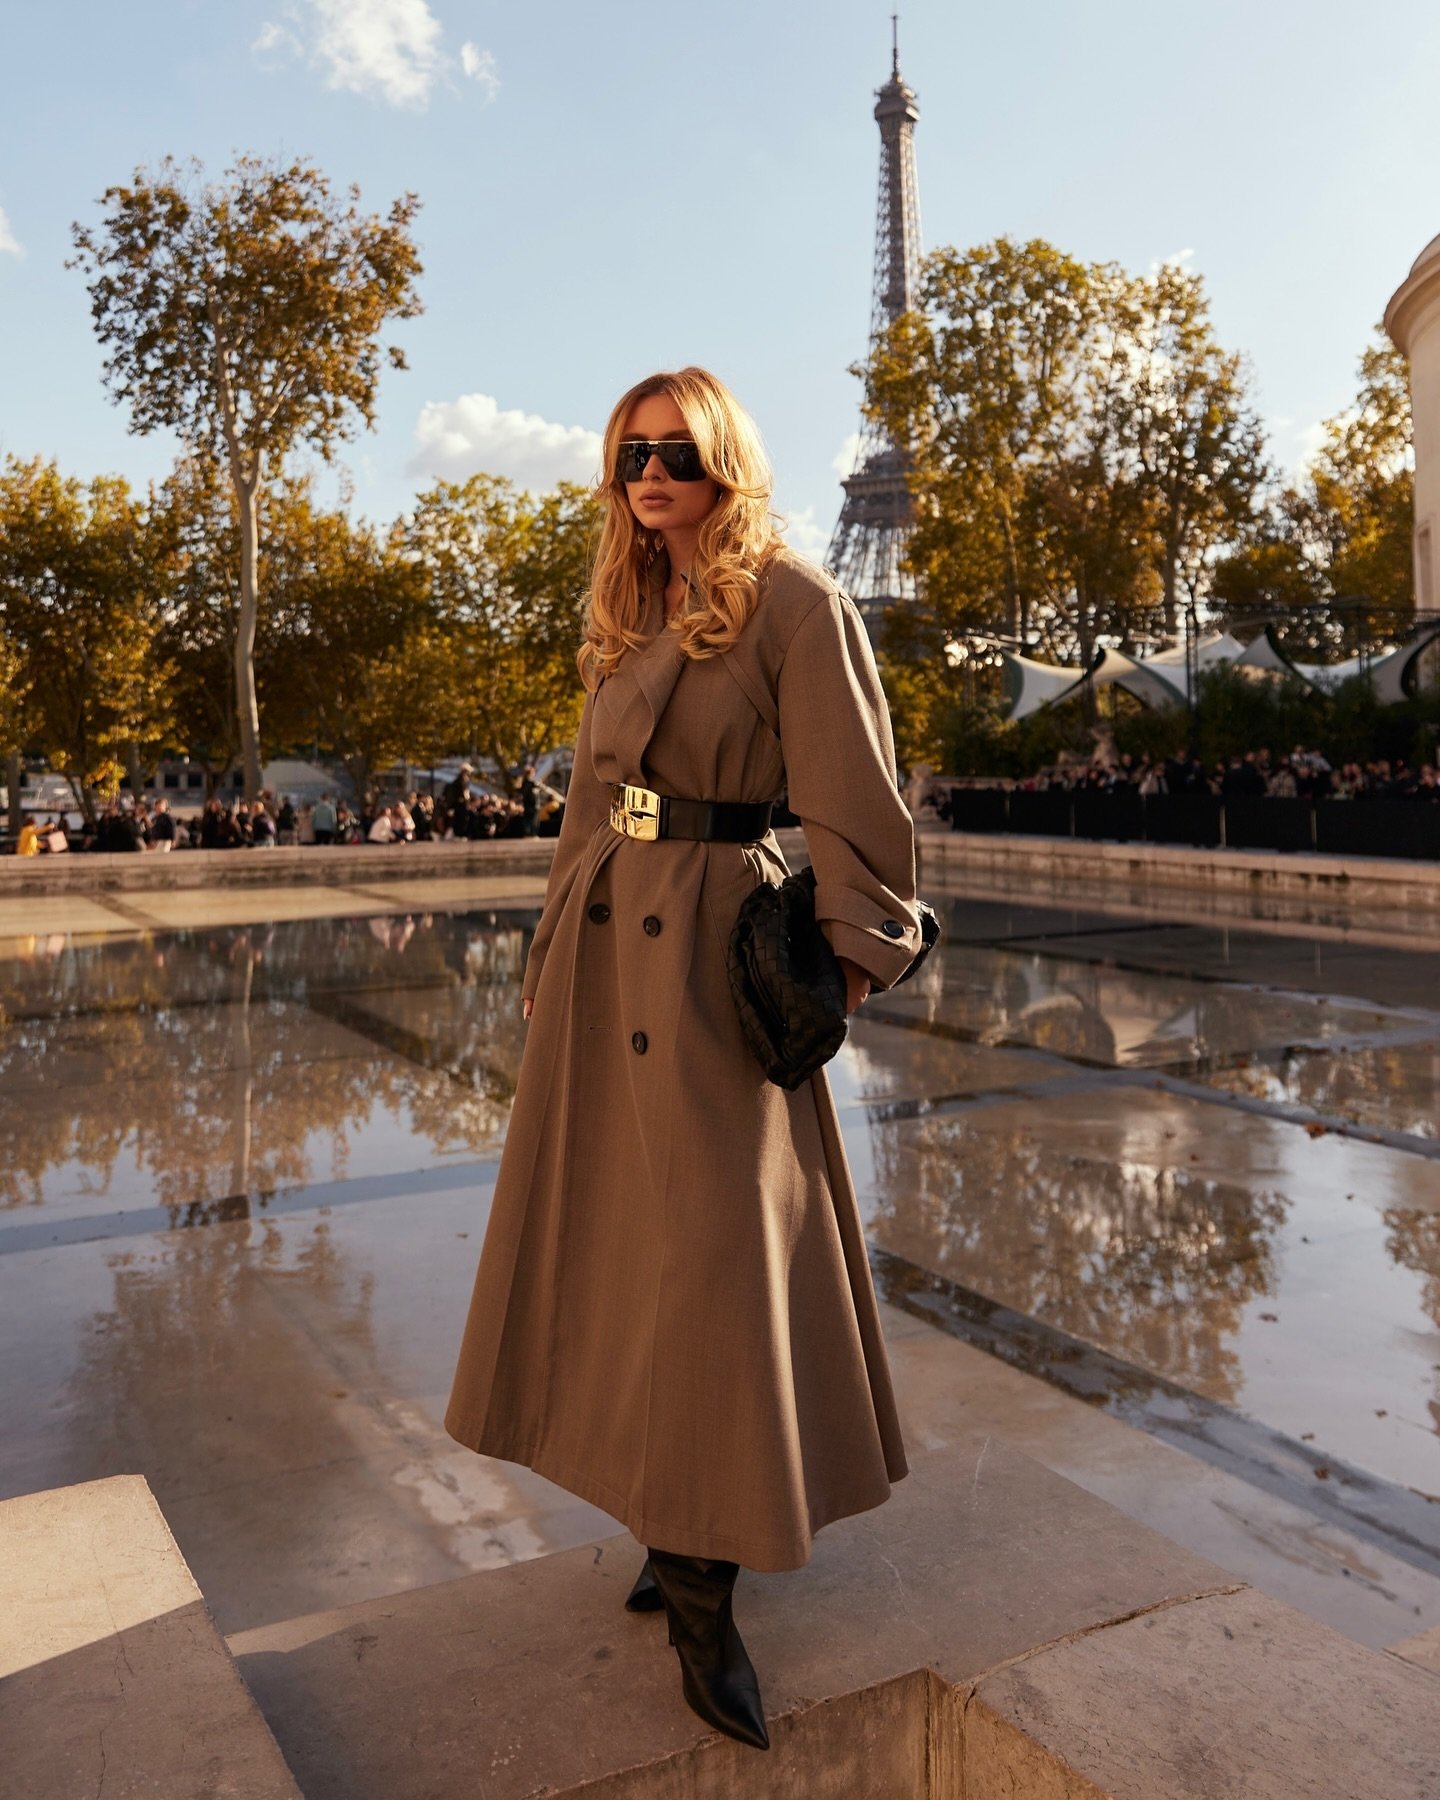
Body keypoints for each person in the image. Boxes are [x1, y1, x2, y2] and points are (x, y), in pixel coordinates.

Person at [444, 368, 921, 1753]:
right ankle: (669, 1521)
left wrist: (838, 971)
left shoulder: (793, 600)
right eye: (630, 455)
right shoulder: (627, 607)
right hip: (609, 959)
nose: (651, 475)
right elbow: (591, 806)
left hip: (718, 965)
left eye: (677, 453)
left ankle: (706, 1588)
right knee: (620, 1249)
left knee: (714, 1256)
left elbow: (858, 802)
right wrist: (548, 960)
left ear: (725, 459)